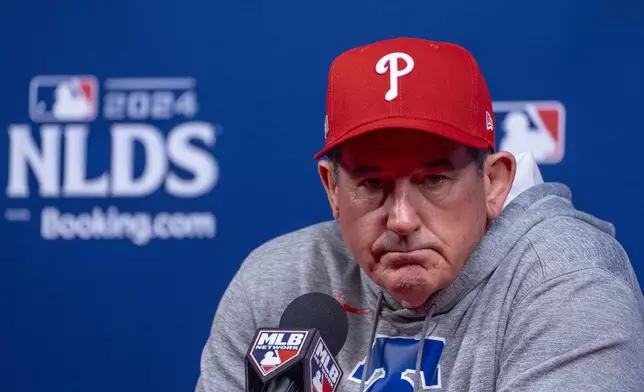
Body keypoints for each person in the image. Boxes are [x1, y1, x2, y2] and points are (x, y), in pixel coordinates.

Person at [195, 37, 644, 391]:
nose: (402, 219)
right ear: (332, 189)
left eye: (434, 180)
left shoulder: (566, 282)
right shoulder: (278, 283)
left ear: (494, 182)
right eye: (372, 184)